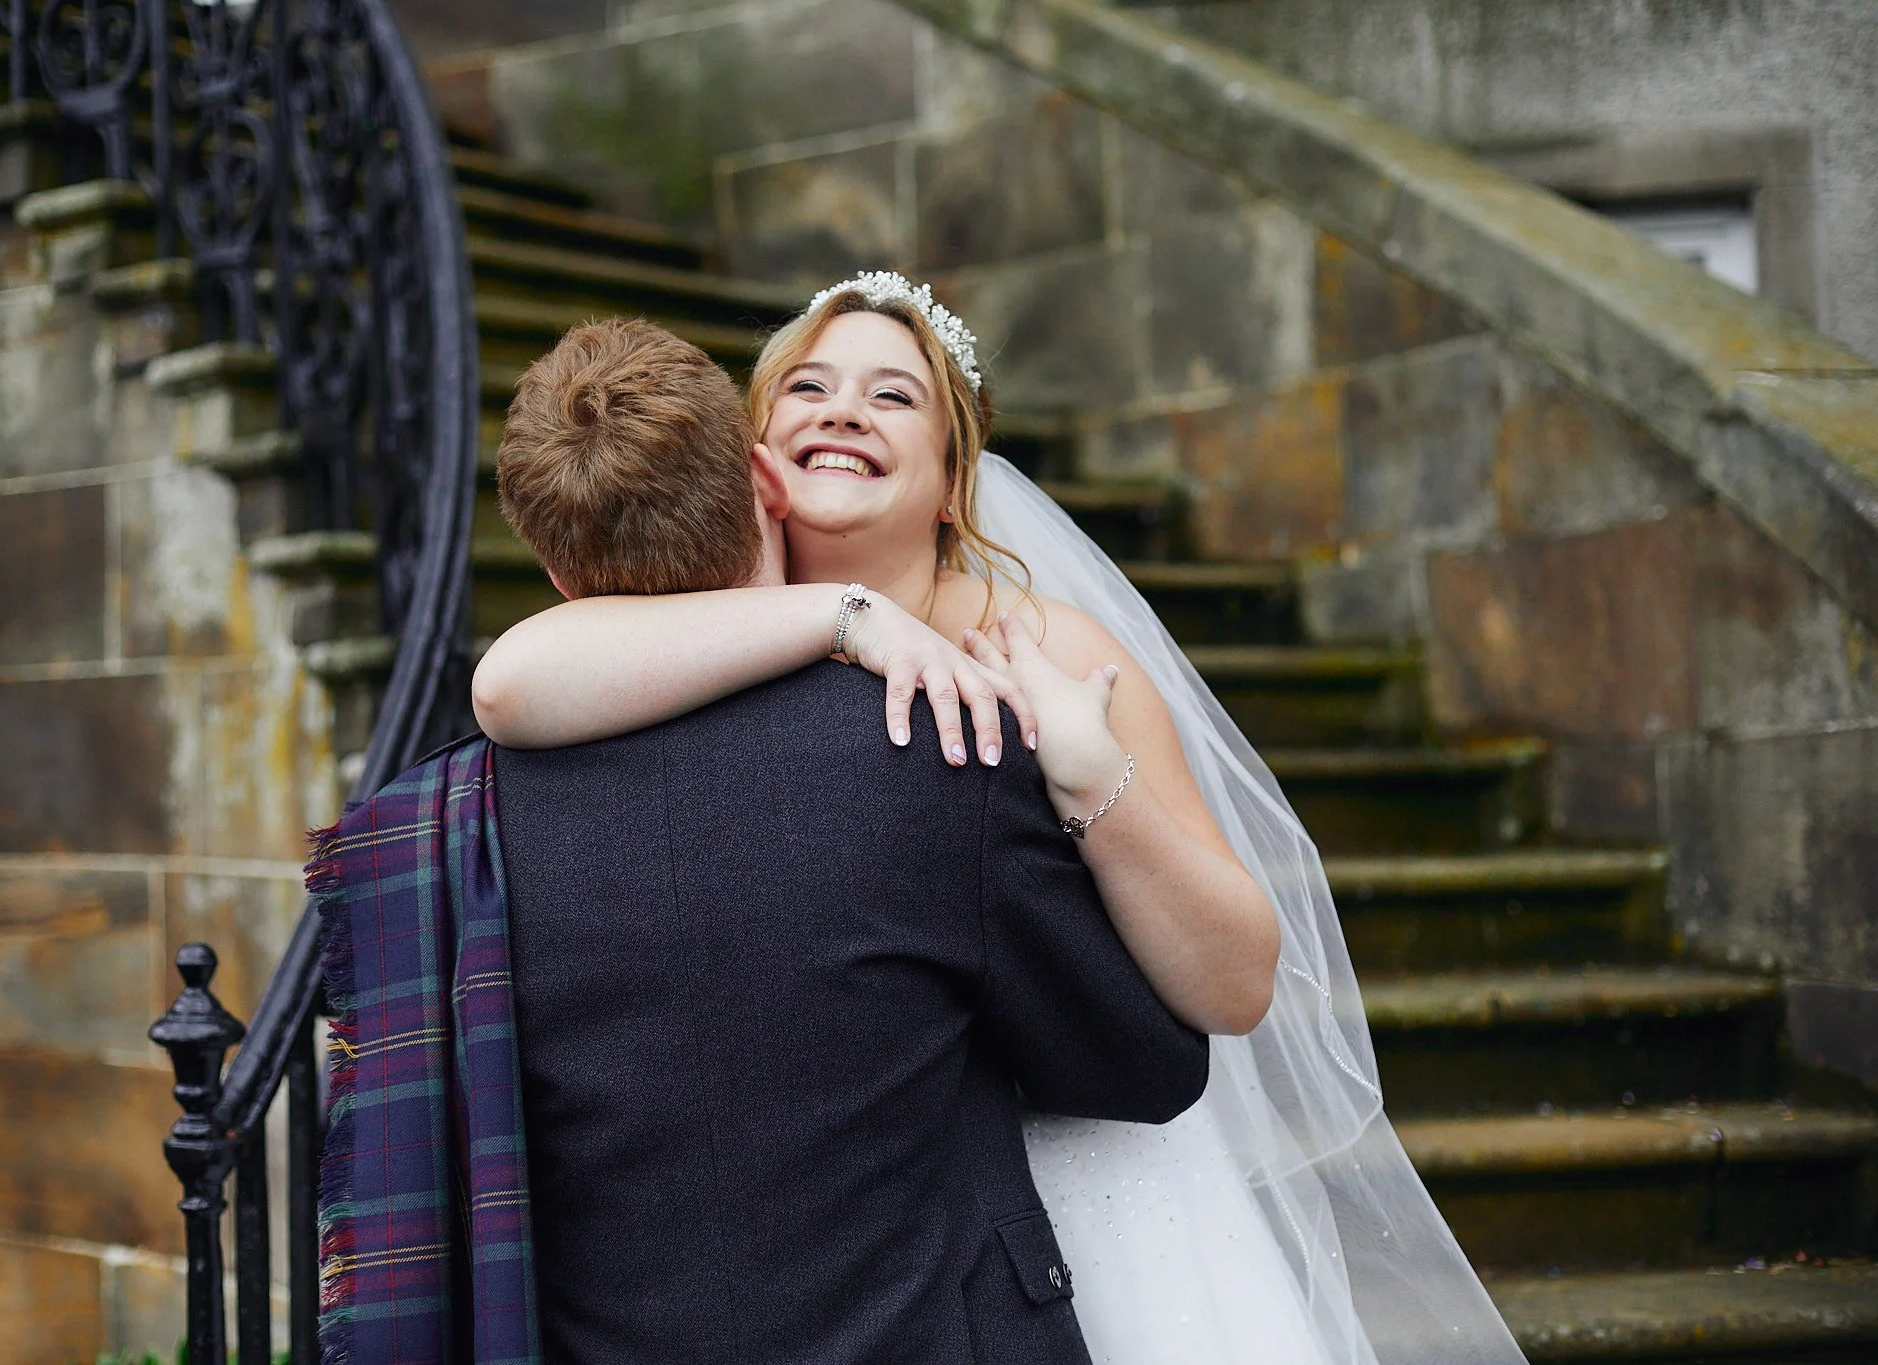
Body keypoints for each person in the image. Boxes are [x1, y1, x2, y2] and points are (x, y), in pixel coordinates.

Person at [473, 278, 1531, 1364]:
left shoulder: (1045, 651)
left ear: (950, 483)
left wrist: (1087, 784)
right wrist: (842, 618)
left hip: (1050, 1201)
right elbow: (508, 680)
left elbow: (1235, 982)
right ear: (755, 460)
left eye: (893, 394)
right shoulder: (679, 640)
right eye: (807, 385)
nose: (843, 411)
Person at [316, 315, 1215, 1365]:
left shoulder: (458, 823)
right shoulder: (941, 749)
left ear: (558, 575)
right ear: (765, 476)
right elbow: (1143, 1066)